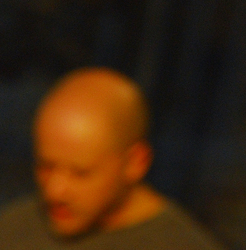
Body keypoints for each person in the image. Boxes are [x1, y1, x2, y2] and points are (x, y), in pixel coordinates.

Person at [0, 68, 224, 250]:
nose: (55, 191)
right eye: (46, 167)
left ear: (136, 162)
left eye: (80, 173)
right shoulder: (10, 230)